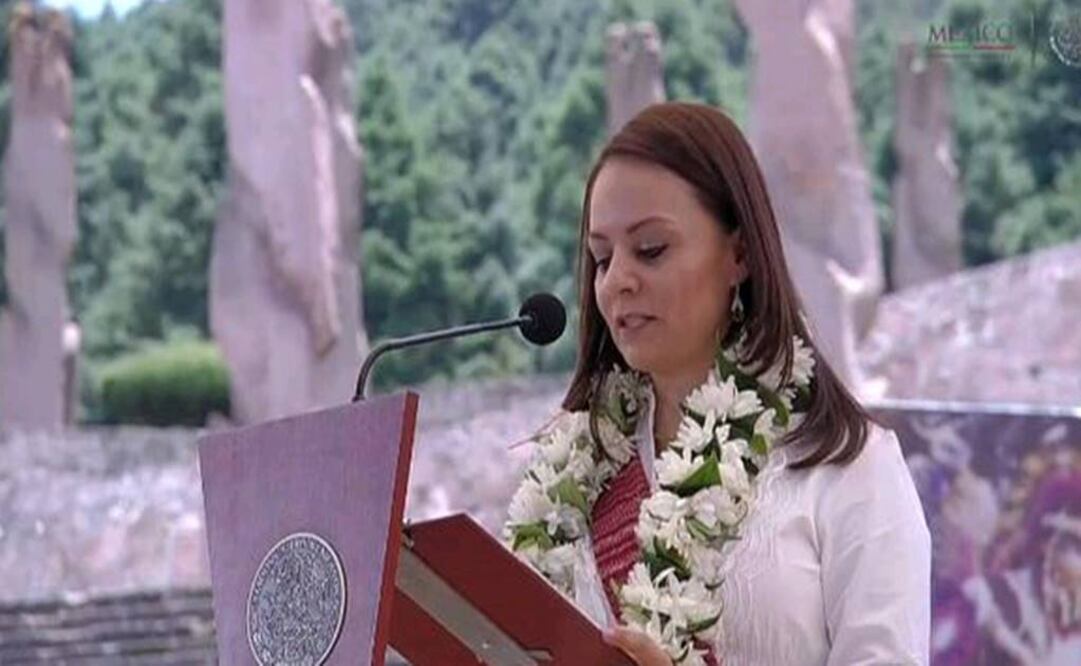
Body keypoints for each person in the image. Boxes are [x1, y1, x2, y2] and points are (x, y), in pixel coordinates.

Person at [503, 101, 930, 666]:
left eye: (650, 249)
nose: (618, 282)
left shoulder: (848, 468)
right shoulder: (572, 480)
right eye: (602, 258)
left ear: (741, 254)